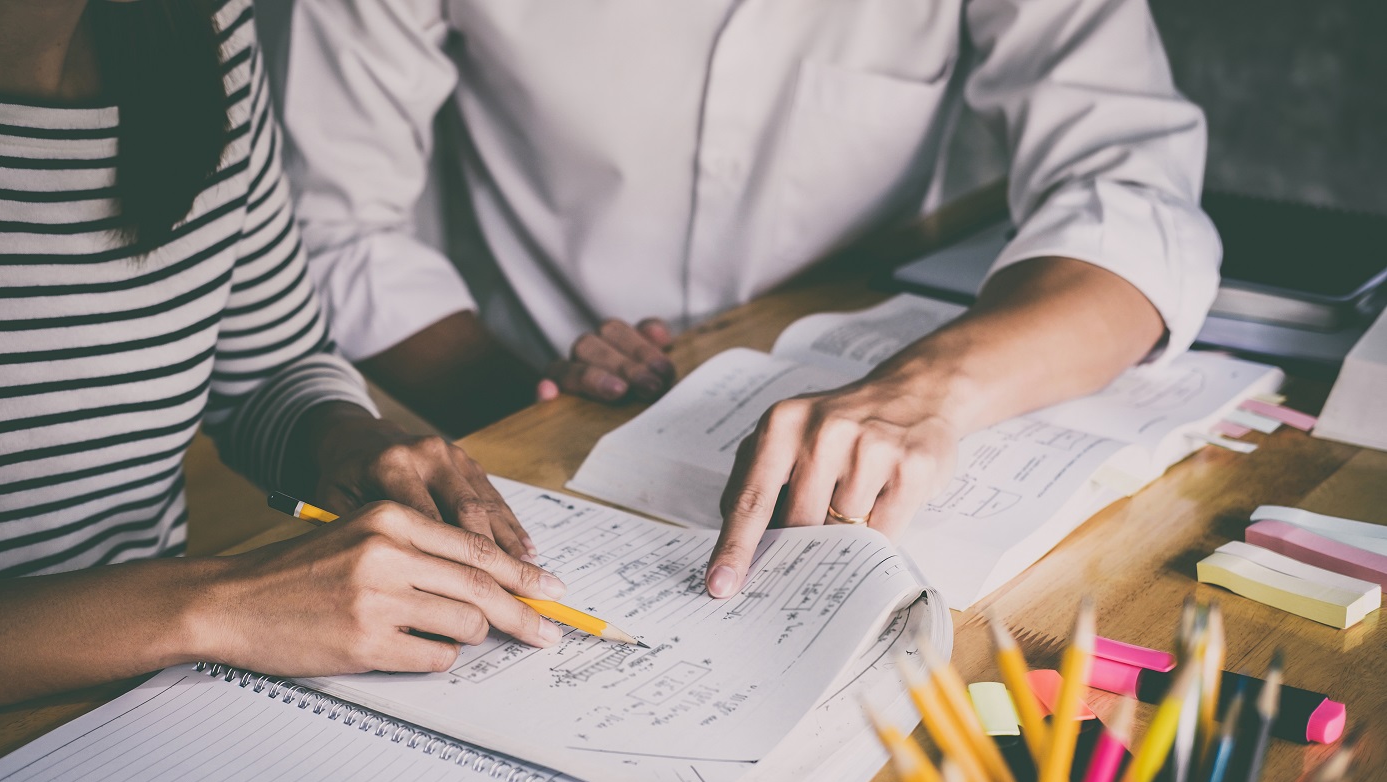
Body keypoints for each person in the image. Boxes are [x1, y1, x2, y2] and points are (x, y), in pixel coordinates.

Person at [259, 0, 1220, 598]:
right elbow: (329, 225)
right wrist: (522, 409)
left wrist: (930, 391)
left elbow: (1132, 199)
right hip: (550, 426)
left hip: (876, 407)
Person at [0, 0, 567, 731]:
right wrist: (212, 604)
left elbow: (269, 366)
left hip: (150, 708)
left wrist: (347, 441)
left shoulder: (202, 28)